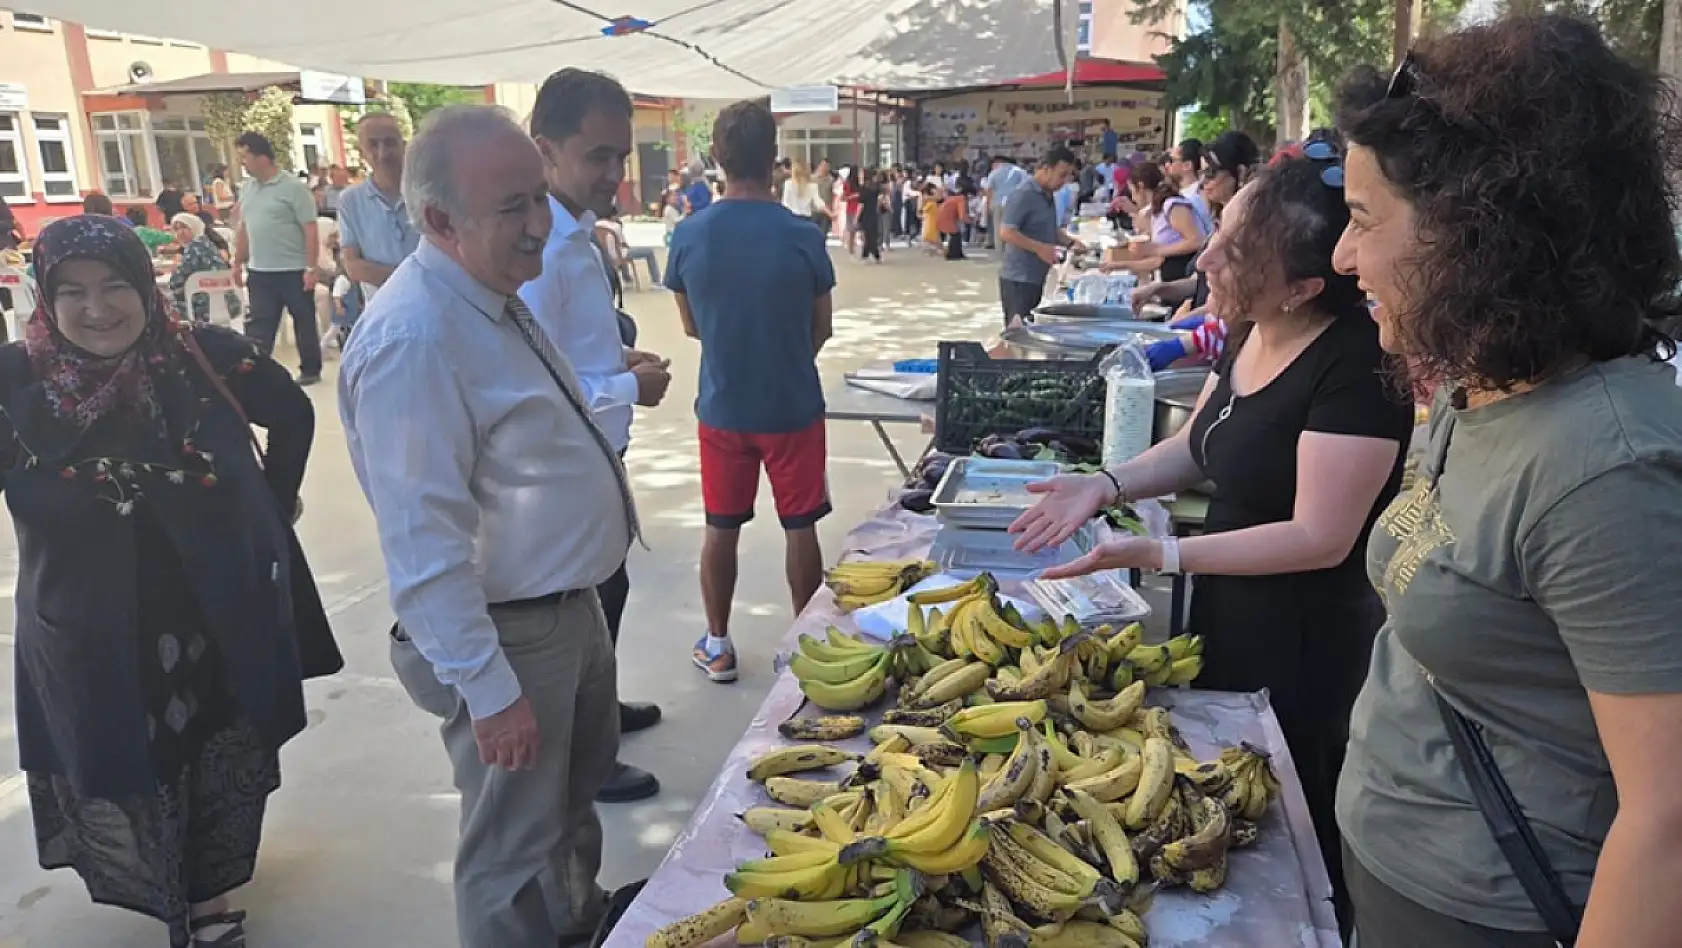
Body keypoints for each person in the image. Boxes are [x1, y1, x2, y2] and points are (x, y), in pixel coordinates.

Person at [1330, 16, 1682, 947]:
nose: (1341, 258)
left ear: (1475, 235)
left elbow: (1670, 824)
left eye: (1363, 222)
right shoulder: (1474, 389)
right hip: (1395, 884)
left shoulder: (1608, 463)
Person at [1011, 149, 1415, 927]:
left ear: (1305, 284)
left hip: (1304, 644)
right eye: (1221, 232)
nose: (1207, 258)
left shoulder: (1357, 369)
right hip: (1223, 613)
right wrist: (1108, 483)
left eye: (1236, 252)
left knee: (1289, 845)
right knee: (1216, 822)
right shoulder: (1250, 330)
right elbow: (1200, 444)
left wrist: (1163, 554)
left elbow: (1319, 537)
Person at [341, 104, 634, 948]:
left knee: (568, 814)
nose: (542, 226)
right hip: (507, 638)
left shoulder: (483, 292)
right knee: (510, 852)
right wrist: (489, 689)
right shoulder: (413, 339)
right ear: (438, 220)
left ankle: (576, 929)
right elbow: (421, 542)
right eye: (514, 208)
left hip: (561, 610)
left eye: (538, 198)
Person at [4, 215, 337, 948]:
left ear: (146, 287)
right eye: (73, 292)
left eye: (116, 286)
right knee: (130, 754)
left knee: (212, 748)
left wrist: (273, 500)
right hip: (86, 623)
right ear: (46, 300)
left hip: (212, 611)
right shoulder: (17, 382)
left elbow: (293, 412)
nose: (98, 309)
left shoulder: (199, 357)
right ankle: (159, 888)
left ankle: (208, 899)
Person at [522, 68, 674, 804]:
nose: (615, 173)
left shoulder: (574, 235)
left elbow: (568, 350)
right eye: (598, 157)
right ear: (545, 149)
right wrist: (625, 386)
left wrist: (618, 359)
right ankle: (589, 753)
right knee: (584, 606)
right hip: (561, 464)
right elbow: (530, 383)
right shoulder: (537, 250)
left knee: (608, 590)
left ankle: (601, 715)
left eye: (622, 155)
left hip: (598, 453)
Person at [664, 99, 835, 685]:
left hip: (723, 407)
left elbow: (690, 324)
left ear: (717, 157)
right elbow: (823, 326)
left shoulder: (689, 234)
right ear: (775, 161)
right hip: (792, 406)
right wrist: (784, 357)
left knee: (720, 526)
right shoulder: (802, 235)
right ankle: (804, 644)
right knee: (800, 526)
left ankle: (717, 643)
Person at [232, 131, 324, 385]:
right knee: (260, 324)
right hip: (260, 269)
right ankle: (256, 369)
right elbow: (244, 227)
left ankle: (310, 368)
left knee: (303, 320)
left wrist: (311, 266)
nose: (242, 162)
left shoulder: (293, 188)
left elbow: (310, 228)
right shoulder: (247, 188)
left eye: (245, 156)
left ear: (262, 157)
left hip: (293, 268)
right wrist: (238, 261)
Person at [337, 112, 421, 316]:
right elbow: (353, 266)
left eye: (390, 143)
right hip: (384, 313)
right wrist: (414, 279)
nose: (382, 153)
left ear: (403, 145)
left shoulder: (428, 192)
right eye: (373, 145)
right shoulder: (351, 201)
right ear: (362, 152)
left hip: (437, 307)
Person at [997, 146, 1083, 325]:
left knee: (1029, 325)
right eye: (1062, 174)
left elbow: (1050, 228)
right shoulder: (1023, 194)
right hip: (1019, 278)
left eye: (1068, 175)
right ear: (1045, 169)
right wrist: (1039, 248)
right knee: (1017, 331)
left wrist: (1071, 243)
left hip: (1036, 275)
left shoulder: (1048, 194)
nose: (1065, 181)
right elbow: (1006, 231)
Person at [1116, 161, 1207, 281]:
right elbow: (1158, 259)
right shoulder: (1158, 209)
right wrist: (1117, 266)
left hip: (1185, 280)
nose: (1133, 198)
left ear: (1141, 186)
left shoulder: (1172, 205)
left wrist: (1155, 250)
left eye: (1132, 191)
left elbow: (1197, 241)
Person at [168, 213, 243, 325]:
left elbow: (175, 282)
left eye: (184, 227)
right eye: (176, 229)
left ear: (194, 227)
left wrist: (175, 269)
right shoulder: (209, 244)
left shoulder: (193, 248)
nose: (180, 232)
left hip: (202, 307)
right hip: (227, 304)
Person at [982, 155, 1029, 251]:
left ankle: (1000, 251)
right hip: (1014, 203)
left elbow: (989, 191)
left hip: (998, 204)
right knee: (1013, 228)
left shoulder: (994, 173)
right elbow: (1026, 189)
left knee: (998, 229)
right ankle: (1012, 250)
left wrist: (988, 206)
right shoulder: (1021, 172)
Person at [781, 160, 823, 225]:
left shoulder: (788, 184)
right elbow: (819, 204)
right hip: (806, 219)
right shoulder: (813, 186)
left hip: (791, 218)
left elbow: (785, 203)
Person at [936, 180, 969, 260]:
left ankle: (957, 253)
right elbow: (962, 215)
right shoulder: (961, 199)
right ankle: (953, 254)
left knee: (956, 233)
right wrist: (969, 220)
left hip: (940, 216)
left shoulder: (953, 198)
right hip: (945, 218)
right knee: (956, 234)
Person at [857, 168, 884, 262]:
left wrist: (856, 217)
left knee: (868, 236)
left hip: (865, 215)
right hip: (874, 214)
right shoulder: (875, 188)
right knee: (871, 235)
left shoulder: (863, 190)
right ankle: (873, 255)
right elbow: (880, 201)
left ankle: (869, 255)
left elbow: (860, 205)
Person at [812, 158, 836, 237]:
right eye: (823, 165)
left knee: (823, 234)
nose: (825, 168)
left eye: (827, 166)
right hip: (814, 210)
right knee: (813, 234)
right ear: (819, 166)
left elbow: (833, 195)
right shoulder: (812, 179)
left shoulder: (831, 180)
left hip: (826, 212)